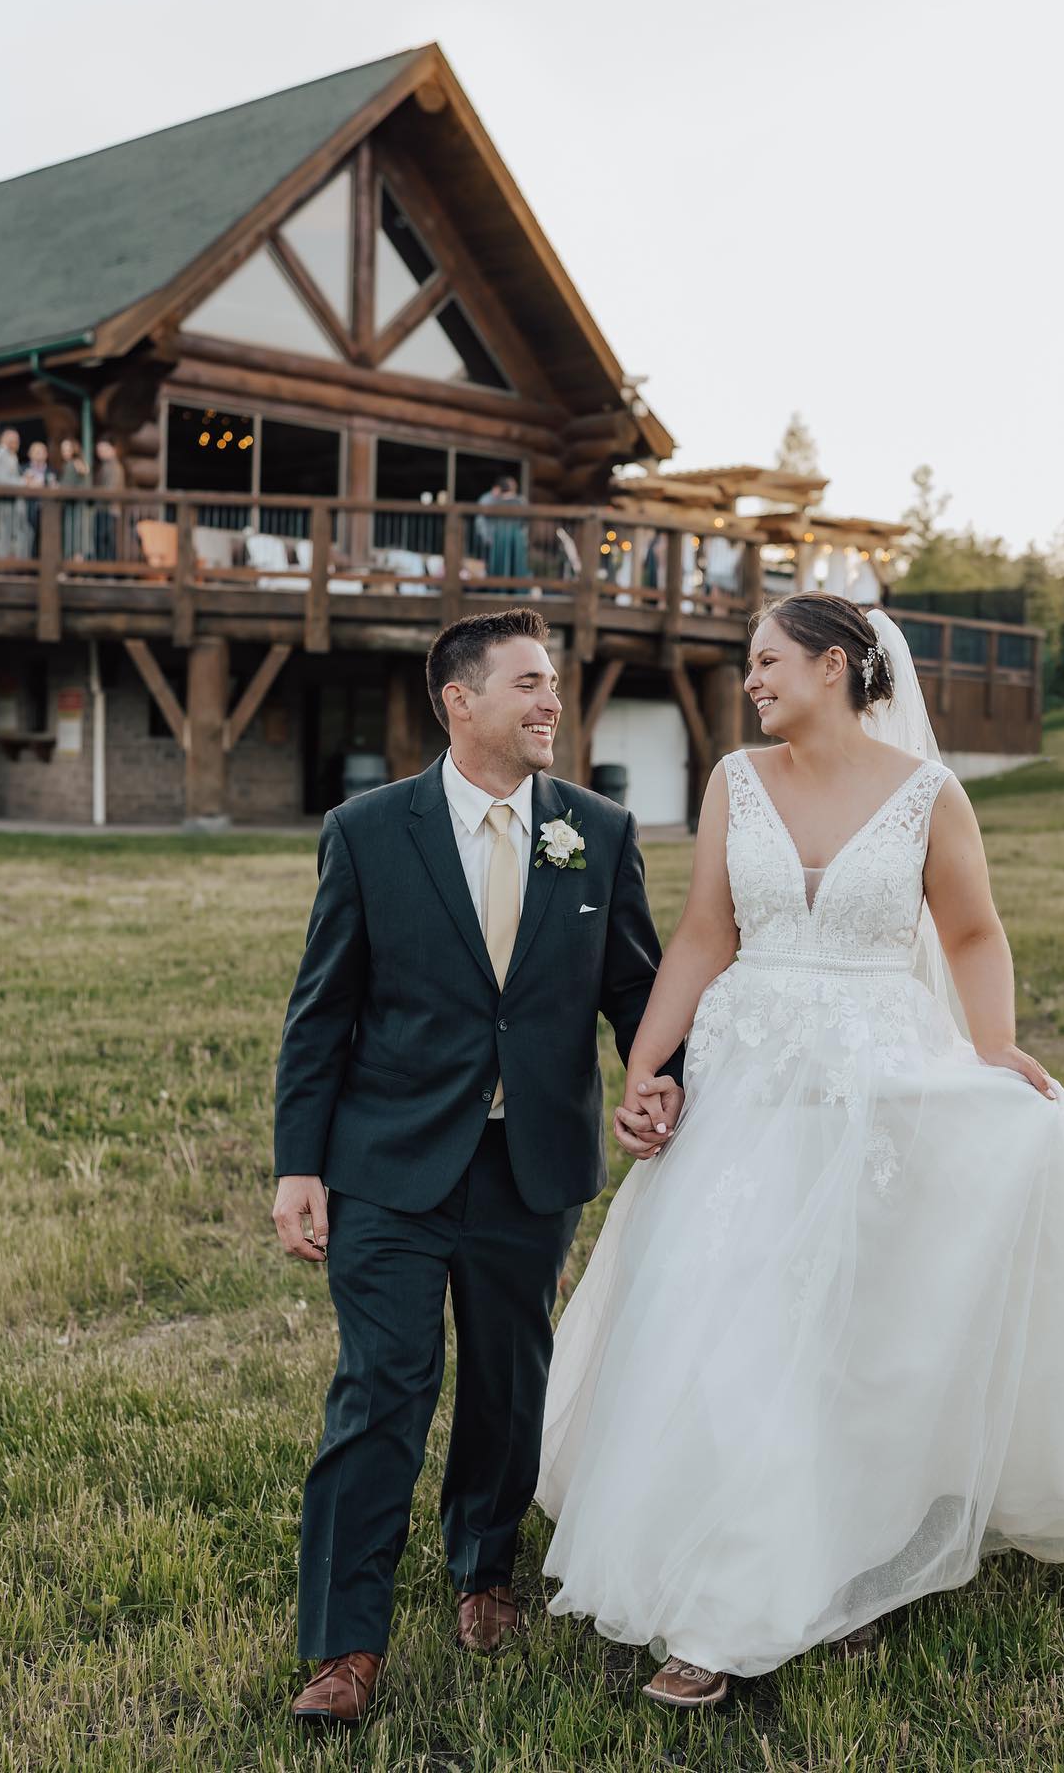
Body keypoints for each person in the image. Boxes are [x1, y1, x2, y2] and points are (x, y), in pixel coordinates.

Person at [537, 592, 1064, 1707]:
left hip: (880, 1078)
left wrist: (994, 1048)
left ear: (837, 665)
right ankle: (721, 1606)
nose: (751, 680)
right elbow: (708, 930)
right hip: (749, 1082)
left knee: (853, 1329)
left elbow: (970, 931)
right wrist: (647, 1065)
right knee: (728, 1319)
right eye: (749, 665)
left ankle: (847, 1559)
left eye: (768, 660)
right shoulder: (733, 784)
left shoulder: (929, 797)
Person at [272, 607, 683, 1728]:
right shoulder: (367, 831)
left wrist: (660, 1073)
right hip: (388, 1167)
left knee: (508, 1388)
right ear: (460, 701)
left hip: (528, 1166)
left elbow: (634, 988)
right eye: (530, 684)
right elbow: (324, 1012)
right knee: (382, 1392)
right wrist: (297, 1164)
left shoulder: (597, 829)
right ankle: (345, 1647)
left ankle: (484, 1568)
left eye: (556, 685)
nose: (554, 703)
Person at [58, 437, 91, 560]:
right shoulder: (80, 463)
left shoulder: (71, 465)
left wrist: (56, 487)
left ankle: (73, 571)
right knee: (78, 538)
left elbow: (66, 486)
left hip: (73, 506)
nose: (64, 452)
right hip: (80, 506)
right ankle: (78, 572)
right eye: (63, 450)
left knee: (73, 538)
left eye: (67, 449)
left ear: (74, 450)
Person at [0, 427, 24, 559]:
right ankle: (2, 569)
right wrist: (24, 482)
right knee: (3, 537)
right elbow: (0, 480)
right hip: (2, 505)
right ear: (4, 440)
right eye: (13, 440)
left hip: (9, 506)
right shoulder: (0, 455)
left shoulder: (10, 455)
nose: (16, 443)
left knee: (10, 536)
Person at [92, 435, 123, 561]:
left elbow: (111, 489)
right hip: (104, 508)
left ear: (112, 449)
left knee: (105, 541)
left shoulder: (114, 467)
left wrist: (95, 494)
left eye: (103, 449)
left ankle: (107, 573)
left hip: (109, 509)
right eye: (99, 450)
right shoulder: (106, 466)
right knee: (104, 541)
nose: (101, 453)